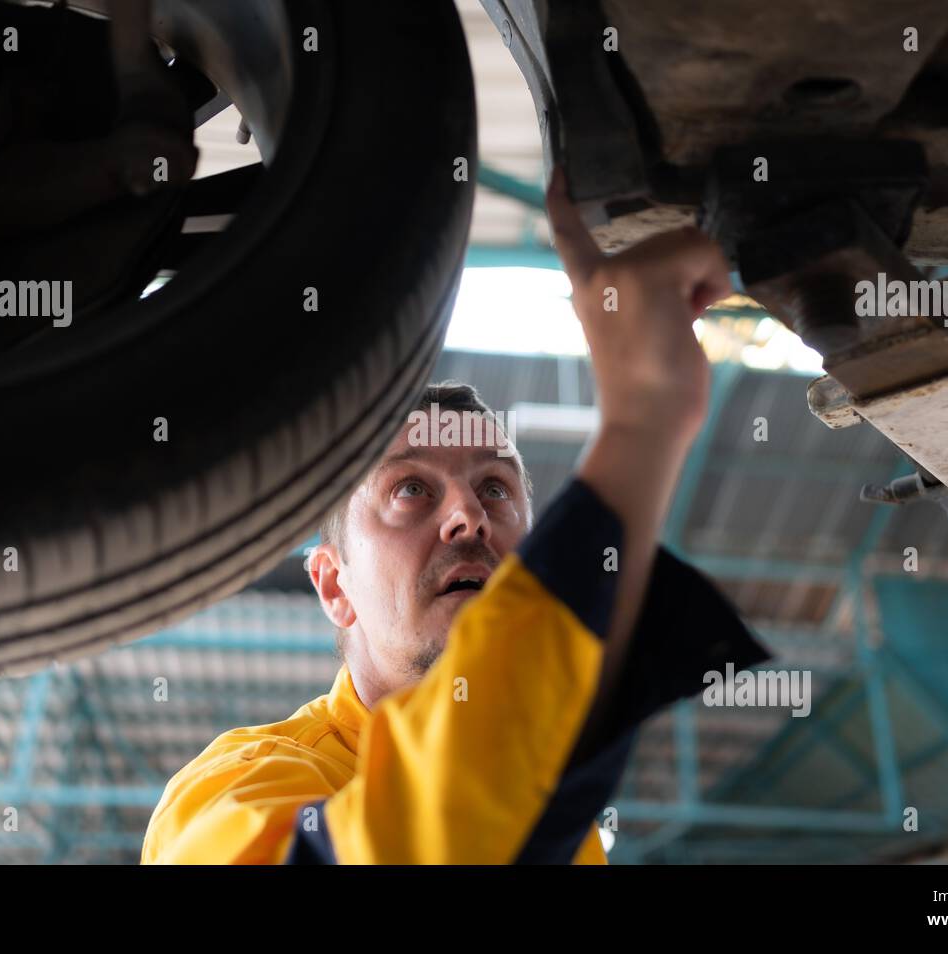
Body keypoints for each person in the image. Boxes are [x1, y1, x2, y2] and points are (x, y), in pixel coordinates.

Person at [140, 169, 768, 864]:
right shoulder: (235, 788)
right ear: (333, 586)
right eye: (410, 489)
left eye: (497, 488)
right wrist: (644, 417)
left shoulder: (571, 825)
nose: (469, 516)